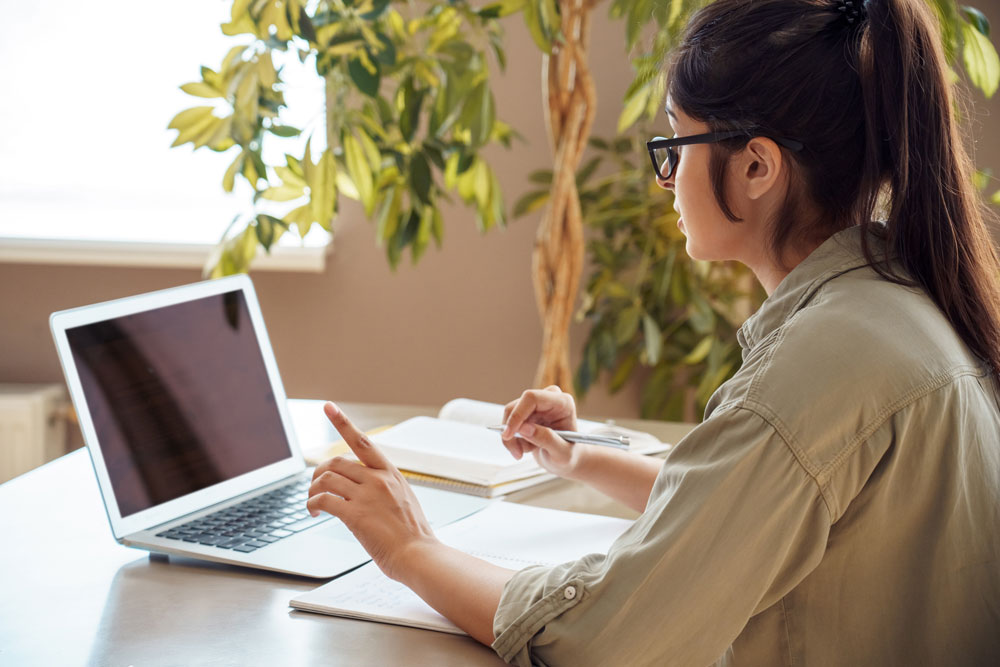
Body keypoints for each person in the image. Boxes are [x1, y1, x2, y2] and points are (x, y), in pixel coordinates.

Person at [306, 0, 1000, 663]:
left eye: (676, 141)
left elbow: (606, 640)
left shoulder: (820, 363)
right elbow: (750, 502)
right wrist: (579, 458)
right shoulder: (899, 304)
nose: (665, 177)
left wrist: (409, 547)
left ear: (757, 165)